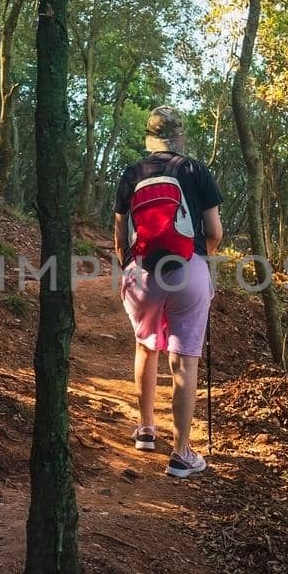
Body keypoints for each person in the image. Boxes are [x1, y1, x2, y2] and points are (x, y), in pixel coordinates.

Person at [113, 105, 224, 478]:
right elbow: (215, 232)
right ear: (179, 137)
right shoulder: (194, 170)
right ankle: (180, 454)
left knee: (146, 345)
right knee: (185, 359)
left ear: (150, 138)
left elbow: (119, 234)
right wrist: (198, 261)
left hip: (142, 273)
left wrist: (130, 267)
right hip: (187, 268)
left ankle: (145, 430)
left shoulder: (132, 173)